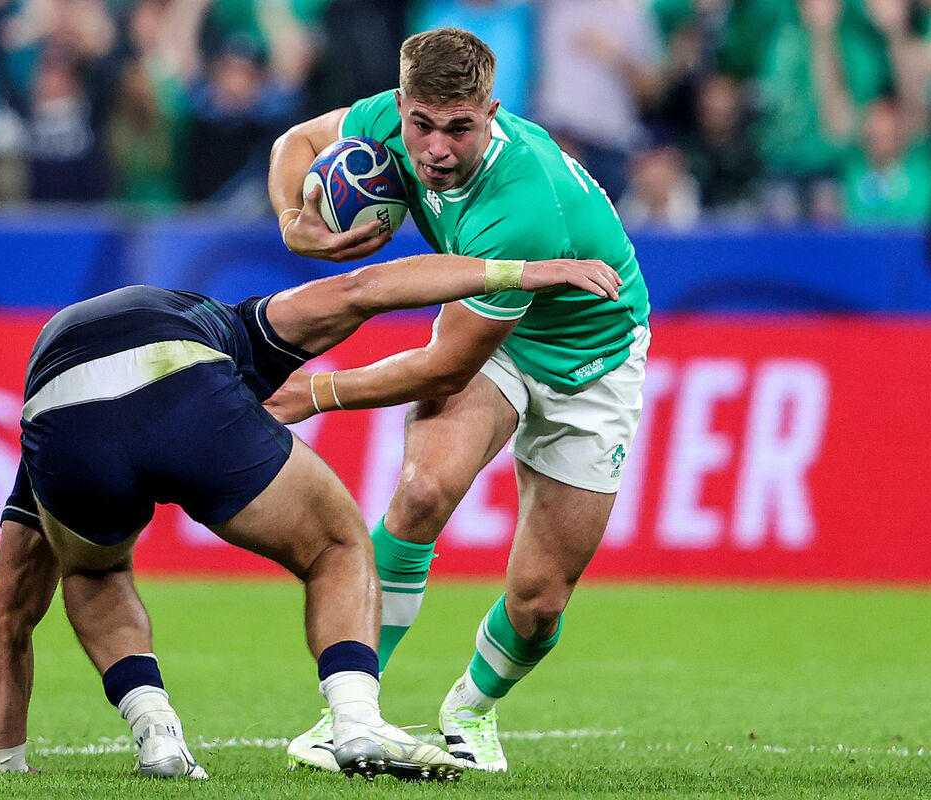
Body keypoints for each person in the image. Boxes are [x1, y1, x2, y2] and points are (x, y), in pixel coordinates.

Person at [0, 248, 625, 779]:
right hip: (178, 371)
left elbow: (6, 614)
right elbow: (364, 288)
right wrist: (521, 271)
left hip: (57, 418)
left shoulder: (47, 414)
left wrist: (4, 766)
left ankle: (157, 731)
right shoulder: (240, 325)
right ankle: (354, 720)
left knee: (93, 573)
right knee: (338, 547)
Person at [267, 27, 651, 773]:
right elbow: (295, 141)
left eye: (459, 129)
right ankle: (352, 713)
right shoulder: (385, 120)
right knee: (422, 489)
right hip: (500, 330)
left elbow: (444, 368)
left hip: (591, 357)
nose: (435, 149)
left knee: (540, 603)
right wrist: (293, 220)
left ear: (492, 112)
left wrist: (317, 391)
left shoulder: (522, 206)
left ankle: (471, 711)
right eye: (422, 125)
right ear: (403, 104)